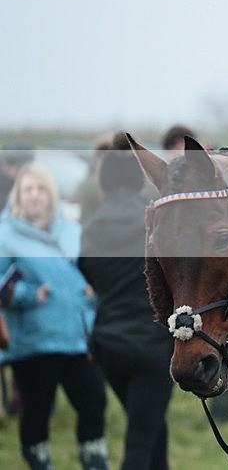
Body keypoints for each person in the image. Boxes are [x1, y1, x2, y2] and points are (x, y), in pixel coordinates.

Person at [0, 163, 108, 470]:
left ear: (52, 193)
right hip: (33, 340)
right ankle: (39, 462)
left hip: (78, 337)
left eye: (41, 188)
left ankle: (95, 460)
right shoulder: (5, 235)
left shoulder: (73, 230)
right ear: (18, 195)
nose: (35, 195)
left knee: (94, 402)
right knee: (36, 409)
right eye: (28, 189)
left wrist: (93, 290)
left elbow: (93, 271)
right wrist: (25, 294)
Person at [79, 132, 175, 470]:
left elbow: (87, 273)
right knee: (139, 440)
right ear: (138, 181)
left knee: (151, 428)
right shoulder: (153, 222)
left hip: (107, 345)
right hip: (151, 346)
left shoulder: (90, 227)